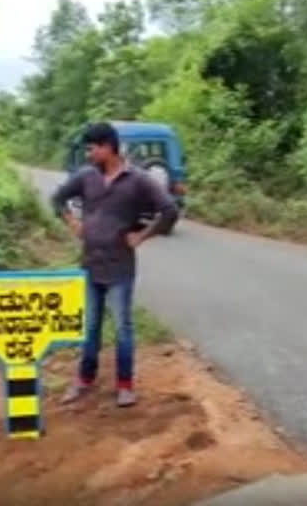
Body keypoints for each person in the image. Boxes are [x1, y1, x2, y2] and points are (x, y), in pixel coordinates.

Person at [51, 122, 179, 408]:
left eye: (91, 148)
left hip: (120, 267)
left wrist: (143, 235)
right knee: (91, 325)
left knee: (123, 327)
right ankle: (85, 378)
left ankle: (124, 385)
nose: (88, 154)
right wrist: (73, 222)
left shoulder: (139, 180)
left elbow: (169, 210)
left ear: (108, 147)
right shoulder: (85, 177)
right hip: (90, 264)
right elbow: (58, 198)